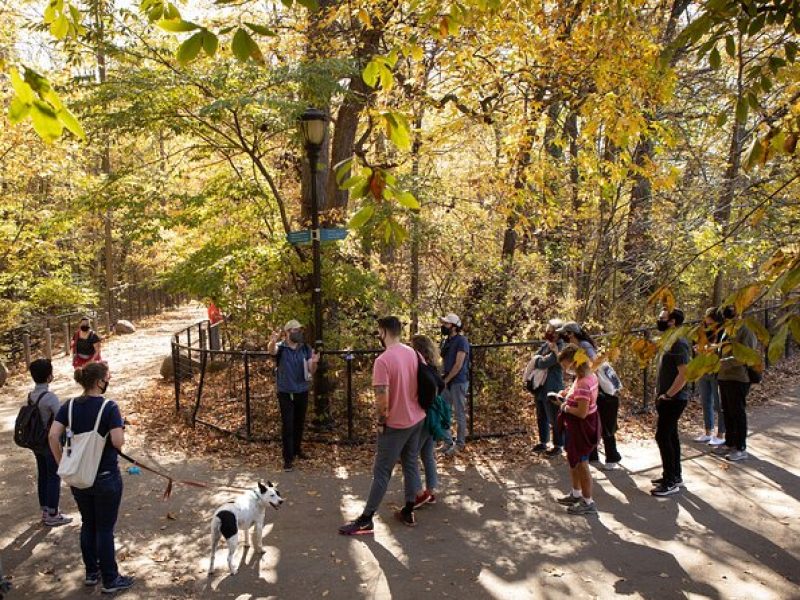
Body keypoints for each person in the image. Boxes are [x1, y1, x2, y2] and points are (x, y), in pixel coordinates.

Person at [48, 362, 134, 594]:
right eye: (107, 377)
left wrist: (61, 465)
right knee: (105, 529)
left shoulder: (70, 405)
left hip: (79, 476)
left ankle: (91, 573)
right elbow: (118, 442)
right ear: (99, 381)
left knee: (88, 523)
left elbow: (53, 435)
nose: (109, 380)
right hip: (105, 476)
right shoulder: (109, 407)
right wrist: (120, 427)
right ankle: (110, 579)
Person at [339, 316, 425, 534]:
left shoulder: (383, 361)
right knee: (411, 463)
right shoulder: (414, 354)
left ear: (384, 332)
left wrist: (380, 422)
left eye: (378, 332)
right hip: (416, 419)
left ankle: (366, 518)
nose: (378, 336)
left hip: (395, 424)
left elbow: (381, 398)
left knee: (382, 471)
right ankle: (408, 510)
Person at [558, 322, 622, 469]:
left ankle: (612, 456)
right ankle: (592, 454)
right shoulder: (576, 347)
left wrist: (585, 378)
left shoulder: (584, 346)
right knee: (592, 420)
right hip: (590, 385)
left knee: (604, 421)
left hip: (598, 389)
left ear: (571, 334)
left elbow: (595, 362)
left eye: (565, 333)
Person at [553, 344, 600, 515]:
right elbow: (579, 397)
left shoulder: (583, 383)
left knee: (582, 463)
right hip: (576, 428)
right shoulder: (587, 376)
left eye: (566, 365)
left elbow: (582, 412)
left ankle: (588, 502)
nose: (566, 370)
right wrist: (567, 394)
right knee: (574, 460)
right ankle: (576, 493)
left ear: (574, 363)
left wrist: (564, 407)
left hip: (581, 427)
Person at [268, 319, 319, 472]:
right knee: (288, 425)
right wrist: (272, 341)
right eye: (295, 330)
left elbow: (311, 370)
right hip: (285, 391)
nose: (299, 332)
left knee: (299, 423)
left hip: (302, 390)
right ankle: (288, 458)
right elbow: (272, 351)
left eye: (300, 330)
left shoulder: (305, 348)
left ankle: (297, 450)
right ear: (288, 332)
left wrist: (315, 362)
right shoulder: (281, 348)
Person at [27, 359, 71, 526]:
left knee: (43, 474)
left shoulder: (31, 395)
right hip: (49, 442)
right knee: (53, 475)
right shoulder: (50, 397)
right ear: (49, 376)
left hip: (36, 441)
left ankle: (45, 510)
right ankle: (53, 513)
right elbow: (61, 418)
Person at [651, 307, 690, 497]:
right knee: (671, 436)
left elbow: (684, 374)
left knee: (663, 436)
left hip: (674, 399)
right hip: (667, 398)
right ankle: (675, 475)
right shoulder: (668, 340)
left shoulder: (679, 343)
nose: (658, 320)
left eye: (662, 318)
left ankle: (670, 481)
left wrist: (668, 395)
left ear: (673, 321)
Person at [717, 305, 758, 462]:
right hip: (724, 377)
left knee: (737, 412)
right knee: (726, 410)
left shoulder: (746, 330)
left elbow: (745, 356)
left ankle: (741, 447)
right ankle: (730, 443)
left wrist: (722, 363)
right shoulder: (727, 329)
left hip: (739, 377)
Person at [410, 334, 446, 509]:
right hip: (432, 415)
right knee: (428, 454)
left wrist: (424, 403)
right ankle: (431, 491)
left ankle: (419, 493)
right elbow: (441, 385)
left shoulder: (420, 368)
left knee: (412, 455)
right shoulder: (432, 367)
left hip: (424, 415)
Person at [525, 319, 564, 457]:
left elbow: (543, 363)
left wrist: (538, 360)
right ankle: (543, 442)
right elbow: (536, 357)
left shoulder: (560, 346)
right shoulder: (548, 345)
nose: (548, 332)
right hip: (540, 386)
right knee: (541, 416)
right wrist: (538, 359)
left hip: (552, 385)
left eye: (551, 330)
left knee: (554, 416)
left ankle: (558, 445)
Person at [439, 313, 470, 455]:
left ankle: (460, 443)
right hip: (447, 382)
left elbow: (458, 365)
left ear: (454, 326)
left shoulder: (462, 341)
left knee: (459, 414)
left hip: (458, 382)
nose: (443, 326)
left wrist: (446, 380)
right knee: (444, 412)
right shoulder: (446, 341)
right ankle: (447, 441)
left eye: (446, 324)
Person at [695, 307, 725, 446]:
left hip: (716, 370)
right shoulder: (702, 331)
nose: (707, 322)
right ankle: (708, 432)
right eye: (706, 319)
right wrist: (698, 349)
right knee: (706, 401)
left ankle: (721, 434)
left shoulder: (722, 332)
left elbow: (722, 350)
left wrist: (711, 349)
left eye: (710, 320)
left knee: (719, 404)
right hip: (703, 369)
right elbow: (697, 345)